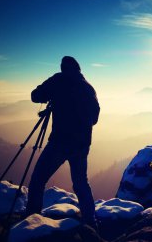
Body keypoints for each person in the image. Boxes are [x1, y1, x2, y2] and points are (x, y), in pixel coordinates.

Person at [25, 56, 100, 227]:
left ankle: (31, 222)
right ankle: (91, 221)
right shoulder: (89, 88)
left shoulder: (59, 80)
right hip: (82, 144)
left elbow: (35, 96)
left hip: (60, 142)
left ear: (63, 68)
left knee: (38, 180)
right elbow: (94, 118)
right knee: (81, 182)